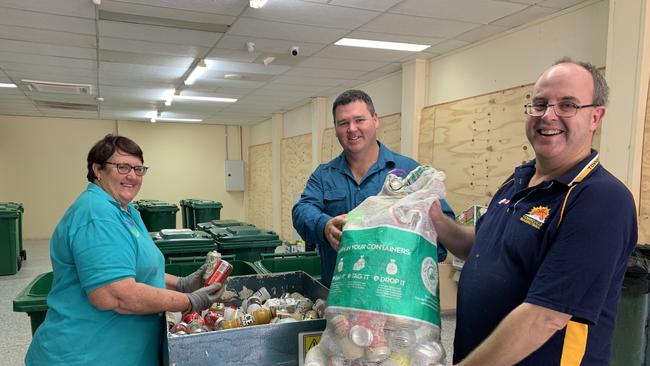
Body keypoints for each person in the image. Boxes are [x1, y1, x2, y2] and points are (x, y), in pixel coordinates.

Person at [429, 59, 637, 365]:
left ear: (596, 116)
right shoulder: (519, 179)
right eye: (540, 104)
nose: (548, 116)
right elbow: (480, 245)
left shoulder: (601, 199)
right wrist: (431, 215)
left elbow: (545, 317)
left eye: (567, 105)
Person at [26, 134, 224, 366]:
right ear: (98, 169)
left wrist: (180, 283)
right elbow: (116, 295)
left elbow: (136, 270)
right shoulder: (97, 215)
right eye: (123, 167)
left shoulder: (125, 210)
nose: (132, 176)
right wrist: (187, 301)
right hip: (87, 354)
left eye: (139, 169)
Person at [292, 89, 455, 288]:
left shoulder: (408, 172)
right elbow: (301, 211)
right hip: (340, 299)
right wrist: (324, 227)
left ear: (375, 120)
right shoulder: (324, 176)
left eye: (359, 120)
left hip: (394, 298)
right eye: (343, 123)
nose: (352, 129)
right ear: (335, 128)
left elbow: (443, 226)